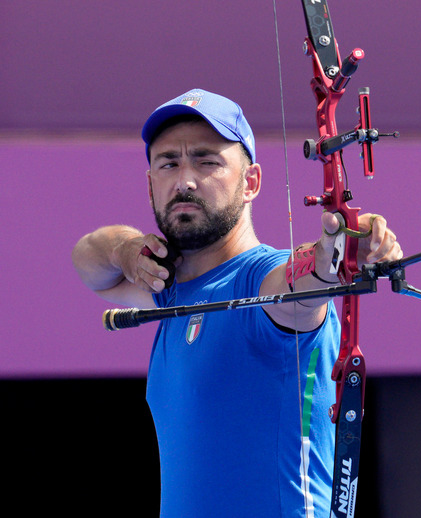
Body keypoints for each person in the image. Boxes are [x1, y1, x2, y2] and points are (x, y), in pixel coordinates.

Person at [72, 88, 402, 517]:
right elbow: (88, 260)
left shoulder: (260, 280)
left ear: (250, 183)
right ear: (151, 184)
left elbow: (305, 280)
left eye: (207, 161)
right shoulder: (166, 286)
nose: (185, 180)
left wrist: (339, 246)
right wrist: (125, 249)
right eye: (169, 162)